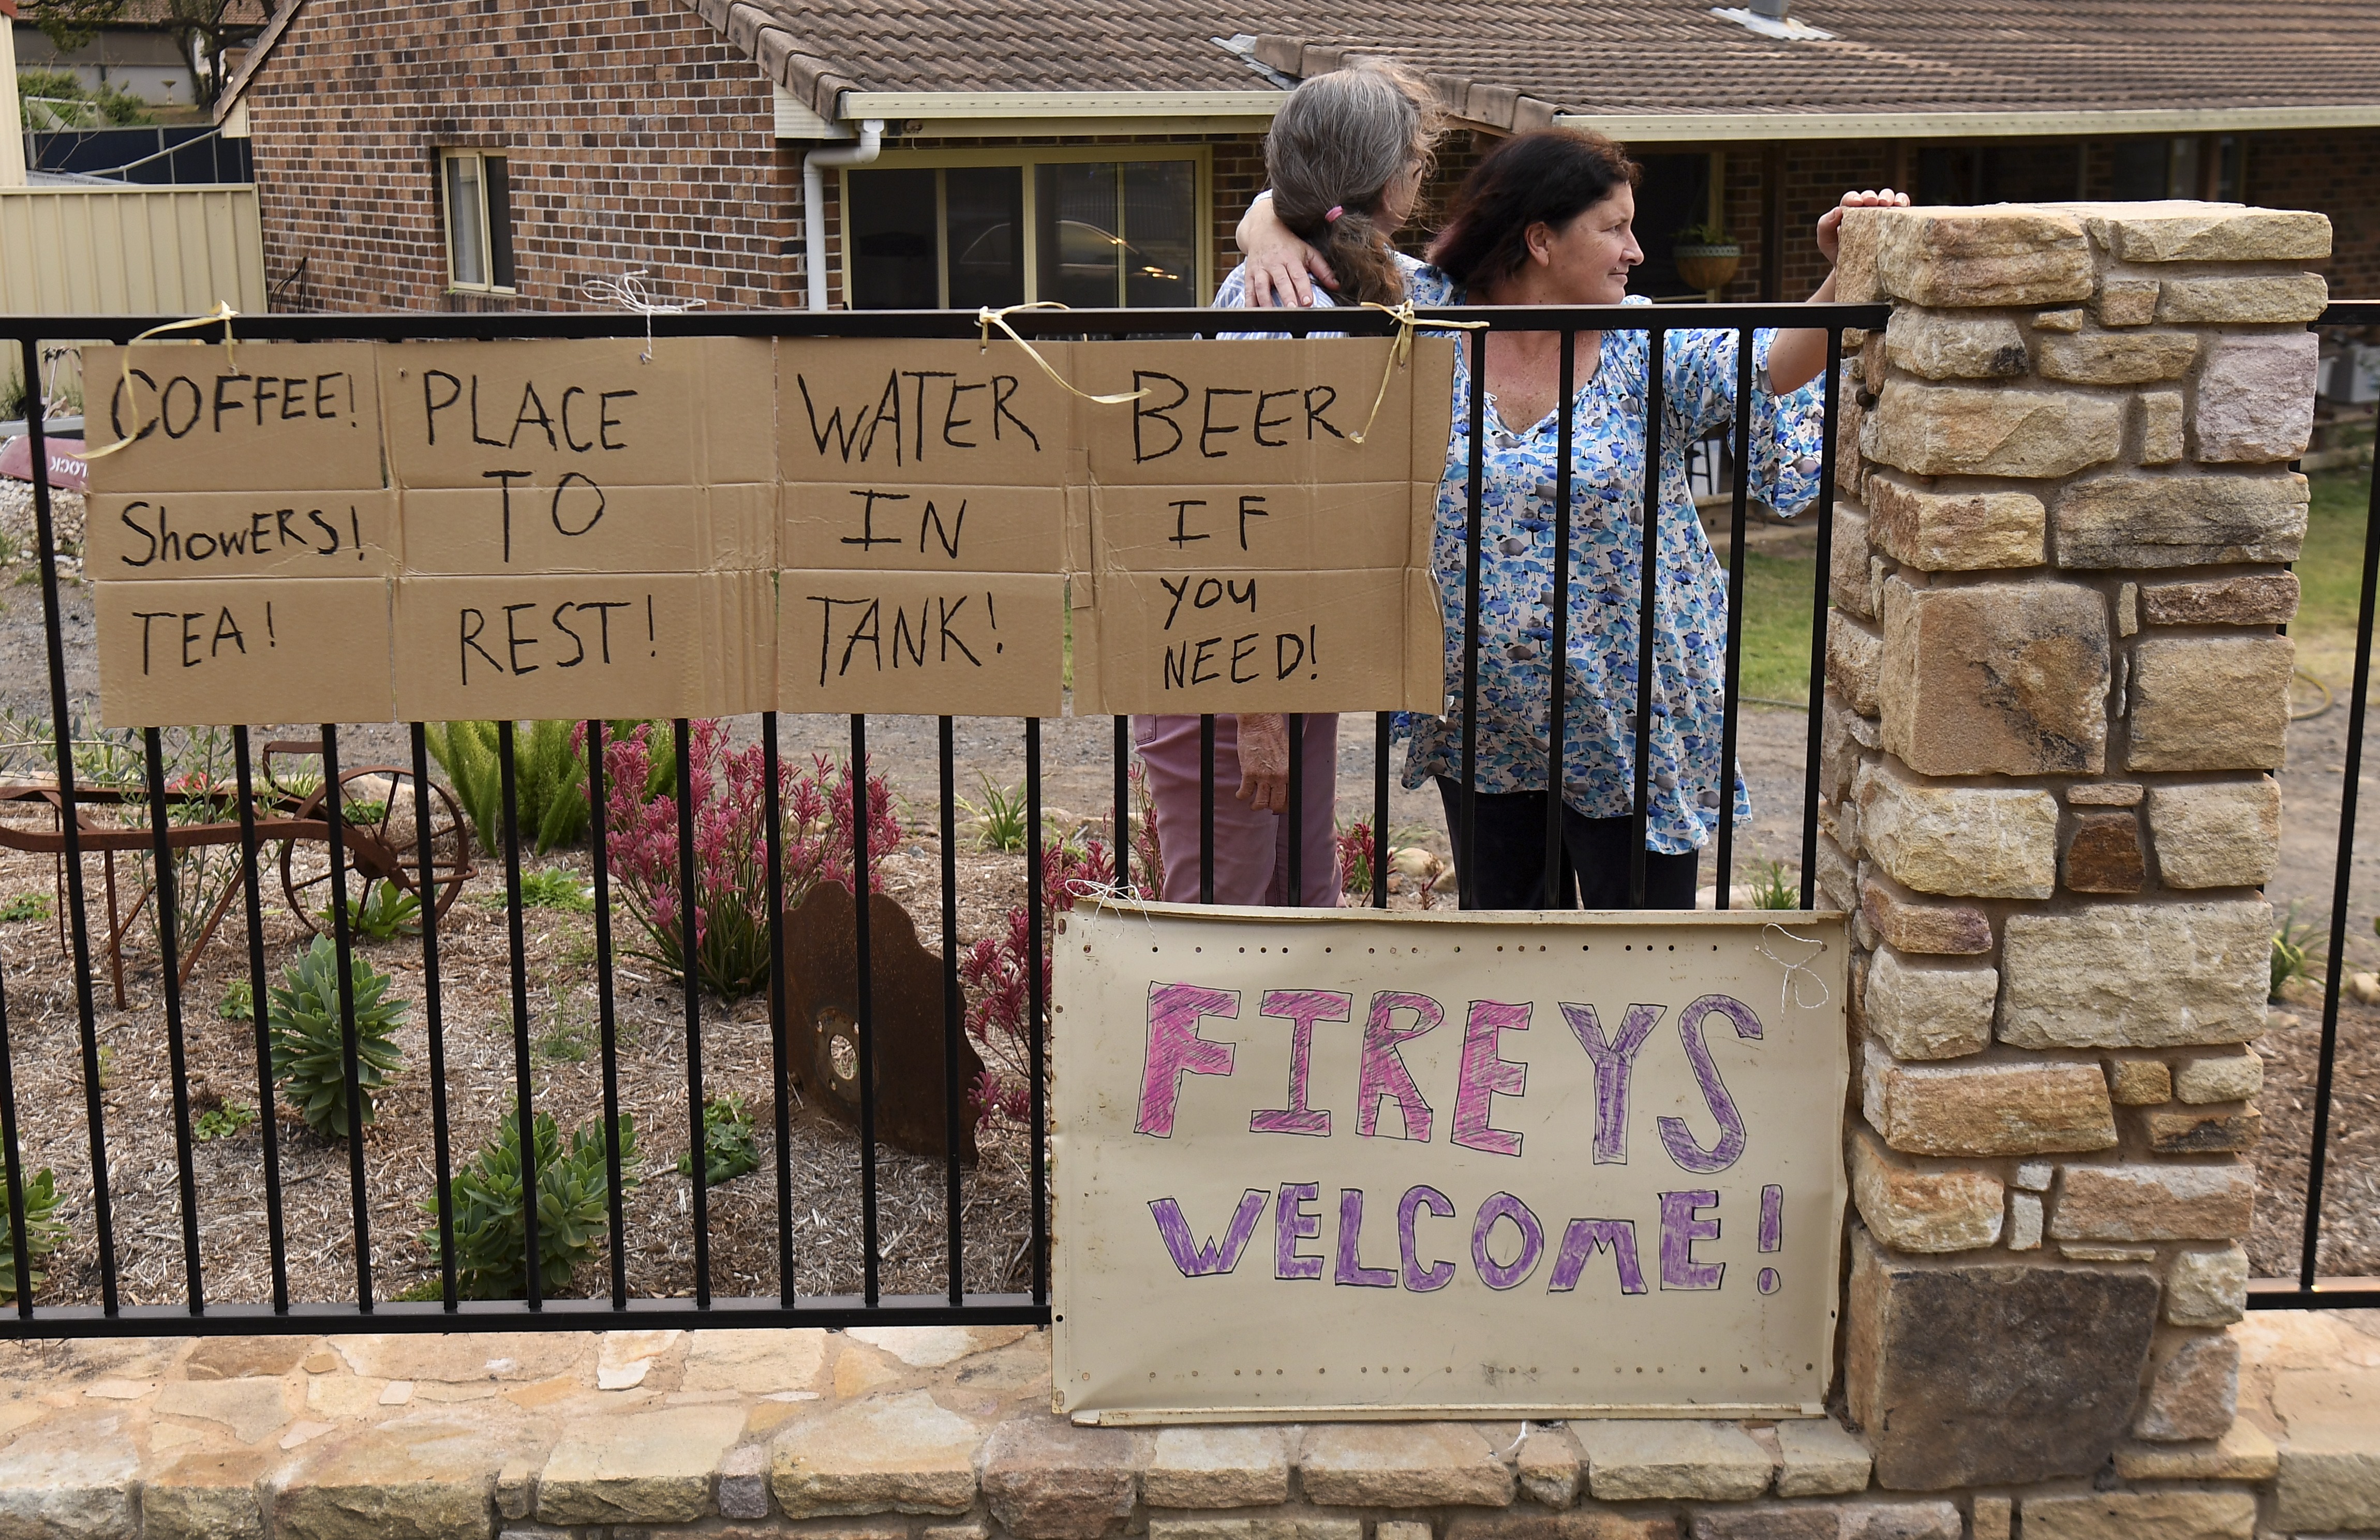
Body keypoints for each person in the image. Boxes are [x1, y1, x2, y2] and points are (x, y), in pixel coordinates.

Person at [1236, 127, 1906, 908]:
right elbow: (1321, 226)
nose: (1636, 250)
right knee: (1508, 959)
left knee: (1640, 959)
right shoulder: (1429, 315)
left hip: (1633, 720)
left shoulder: (1643, 343)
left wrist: (1838, 273)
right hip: (1481, 725)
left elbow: (1780, 361)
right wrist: (1267, 225)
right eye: (1613, 228)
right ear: (1540, 239)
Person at [1133, 58, 1443, 906]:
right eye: (1417, 162)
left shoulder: (1367, 286)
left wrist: (1266, 215)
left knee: (1302, 913)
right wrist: (1258, 709)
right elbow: (1241, 509)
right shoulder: (1281, 302)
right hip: (1224, 670)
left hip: (1285, 662)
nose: (1422, 176)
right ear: (1391, 180)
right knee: (1224, 928)